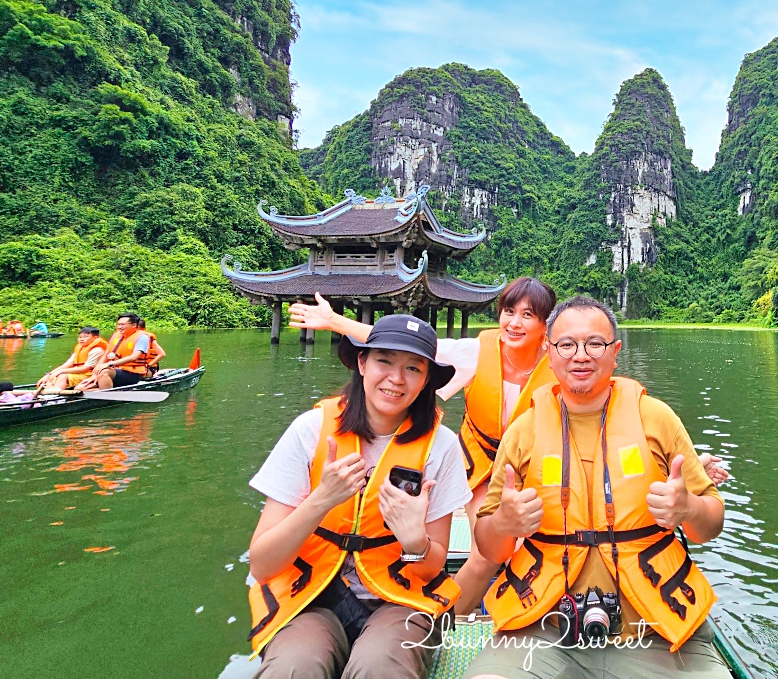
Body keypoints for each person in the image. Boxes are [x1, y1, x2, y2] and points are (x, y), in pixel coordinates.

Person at [291, 282, 730, 613]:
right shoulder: (473, 353)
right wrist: (335, 322)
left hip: (541, 465)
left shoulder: (565, 362)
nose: (514, 323)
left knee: (540, 536)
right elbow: (405, 345)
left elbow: (614, 417)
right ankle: (447, 617)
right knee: (487, 549)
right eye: (507, 312)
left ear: (545, 330)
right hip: (484, 465)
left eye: (528, 316)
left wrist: (683, 470)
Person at [464, 296, 732, 679]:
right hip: (544, 626)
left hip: (655, 628)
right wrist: (504, 523)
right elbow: (490, 547)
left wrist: (688, 508)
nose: (581, 356)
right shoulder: (523, 431)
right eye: (567, 345)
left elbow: (710, 526)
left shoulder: (655, 418)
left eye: (595, 344)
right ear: (549, 351)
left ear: (615, 352)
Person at [246, 314, 473, 679]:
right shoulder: (311, 429)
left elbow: (431, 568)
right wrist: (321, 500)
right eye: (384, 361)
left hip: (399, 599)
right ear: (363, 363)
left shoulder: (441, 447)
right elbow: (262, 565)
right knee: (295, 666)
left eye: (413, 368)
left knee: (380, 667)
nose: (397, 379)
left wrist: (414, 539)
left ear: (427, 379)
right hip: (311, 595)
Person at [81, 313, 149, 389]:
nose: (119, 327)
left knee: (104, 372)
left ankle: (107, 397)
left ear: (133, 325)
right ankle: (103, 393)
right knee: (80, 388)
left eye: (123, 324)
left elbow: (134, 357)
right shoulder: (116, 335)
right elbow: (106, 354)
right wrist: (95, 374)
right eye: (118, 324)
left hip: (133, 373)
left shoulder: (142, 337)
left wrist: (109, 364)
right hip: (115, 370)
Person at [37, 327, 108, 393]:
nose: (81, 339)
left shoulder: (97, 350)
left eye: (85, 337)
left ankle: (55, 396)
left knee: (62, 376)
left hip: (89, 374)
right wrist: (49, 375)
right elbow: (67, 365)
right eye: (80, 337)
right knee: (51, 379)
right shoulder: (80, 348)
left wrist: (60, 371)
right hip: (79, 373)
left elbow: (85, 369)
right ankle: (49, 394)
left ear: (95, 338)